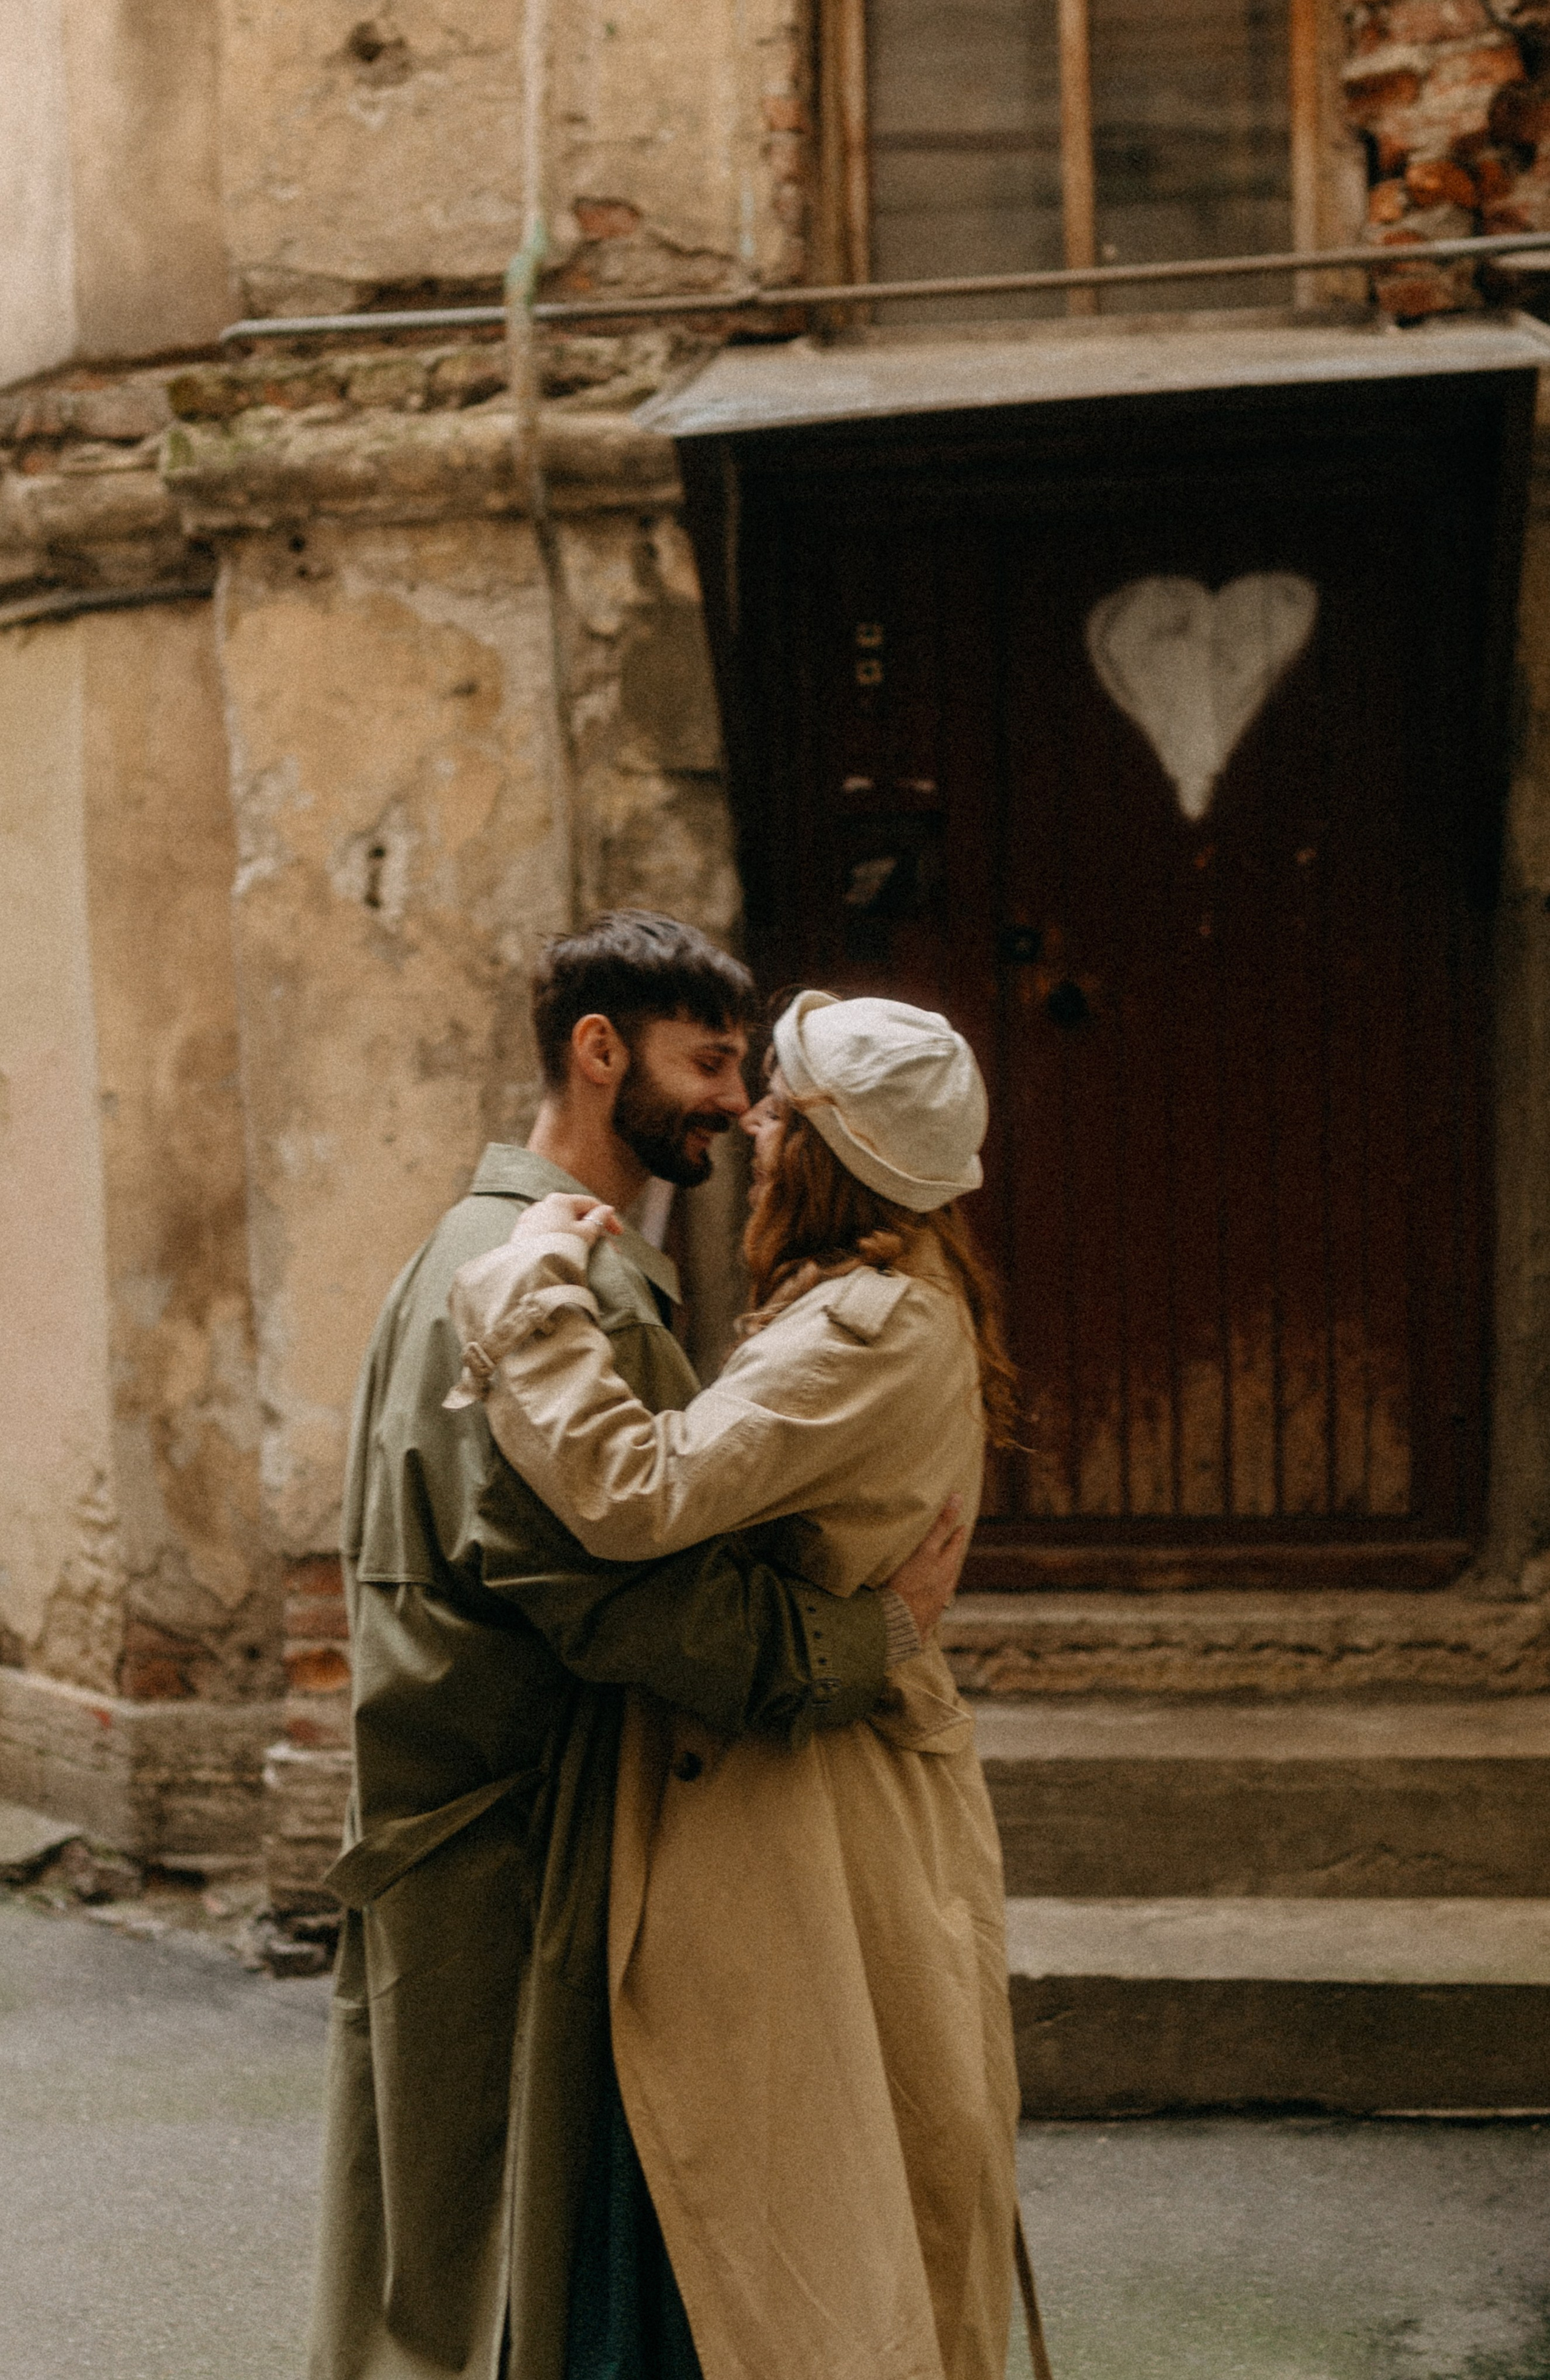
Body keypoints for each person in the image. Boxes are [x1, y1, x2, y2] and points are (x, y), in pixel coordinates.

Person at [307, 915, 964, 2380]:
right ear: (600, 1053)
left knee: (446, 2268)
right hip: (524, 1843)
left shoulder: (471, 1249)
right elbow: (609, 1596)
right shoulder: (558, 1280)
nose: (738, 1106)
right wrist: (862, 1642)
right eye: (711, 1063)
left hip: (470, 1824)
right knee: (496, 2285)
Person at [446, 988, 1024, 2380]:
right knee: (803, 2186)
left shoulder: (869, 1329)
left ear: (830, 1151)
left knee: (795, 2204)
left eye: (779, 1106)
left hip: (807, 1803)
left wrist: (526, 1283)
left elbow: (633, 1492)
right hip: (803, 1781)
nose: (754, 1129)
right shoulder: (870, 1304)